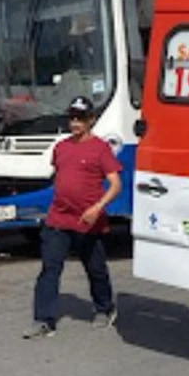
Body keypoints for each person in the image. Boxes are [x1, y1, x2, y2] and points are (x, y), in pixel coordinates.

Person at [24, 96, 122, 339]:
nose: (75, 123)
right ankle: (44, 320)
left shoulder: (101, 148)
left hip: (88, 222)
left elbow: (116, 185)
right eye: (72, 118)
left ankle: (104, 308)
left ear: (92, 120)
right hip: (58, 219)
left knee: (95, 268)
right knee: (50, 268)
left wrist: (97, 207)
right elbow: (62, 178)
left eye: (80, 118)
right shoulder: (61, 147)